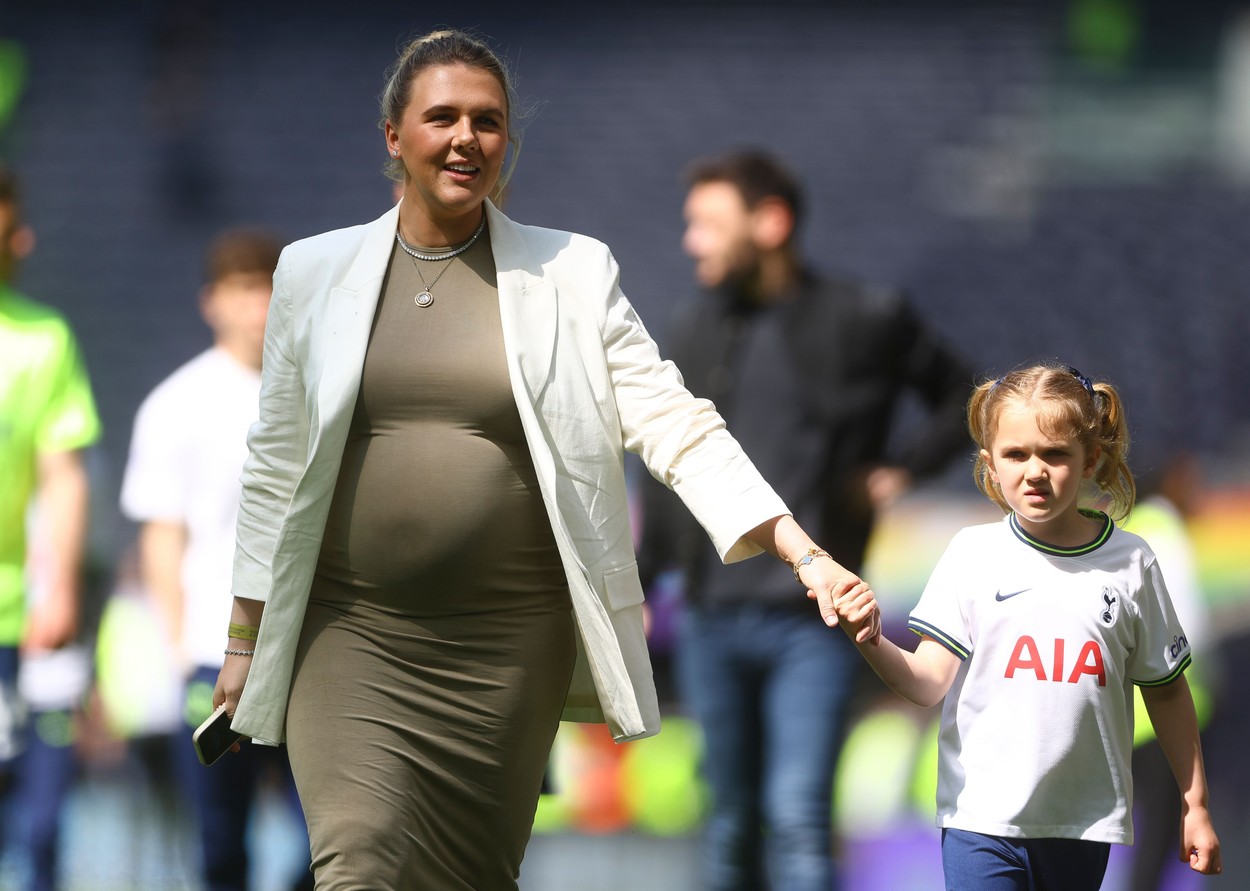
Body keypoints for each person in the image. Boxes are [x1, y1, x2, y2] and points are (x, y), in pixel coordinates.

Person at [210, 29, 877, 891]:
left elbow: (676, 422)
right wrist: (243, 636)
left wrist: (801, 550)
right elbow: (274, 462)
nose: (466, 138)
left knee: (470, 878)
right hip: (351, 630)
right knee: (360, 862)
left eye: (488, 122)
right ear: (393, 135)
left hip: (505, 643)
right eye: (441, 117)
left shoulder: (573, 270)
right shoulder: (312, 271)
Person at [637, 148, 973, 890]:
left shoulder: (865, 317)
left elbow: (966, 396)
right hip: (708, 617)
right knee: (726, 825)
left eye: (708, 223)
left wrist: (902, 470)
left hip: (812, 620)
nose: (692, 242)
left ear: (772, 221)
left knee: (797, 819)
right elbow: (664, 468)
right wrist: (640, 580)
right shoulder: (693, 327)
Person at [827, 362, 1223, 889]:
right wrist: (870, 636)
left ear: (1091, 460)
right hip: (979, 824)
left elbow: (1168, 693)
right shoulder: (972, 554)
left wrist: (1195, 804)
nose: (1034, 470)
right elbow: (926, 682)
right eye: (1016, 454)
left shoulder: (1133, 562)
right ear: (991, 465)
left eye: (1055, 453)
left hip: (1081, 828)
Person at [120, 228, 313, 891]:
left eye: (269, 287)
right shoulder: (177, 405)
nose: (258, 305)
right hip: (212, 648)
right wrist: (177, 646)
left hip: (311, 646)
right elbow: (162, 536)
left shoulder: (318, 391)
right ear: (213, 302)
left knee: (334, 836)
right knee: (220, 838)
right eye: (244, 289)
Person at [0, 164, 101, 890]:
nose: (22, 240)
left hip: (13, 618)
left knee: (35, 823)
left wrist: (56, 587)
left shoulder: (41, 339)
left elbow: (62, 474)